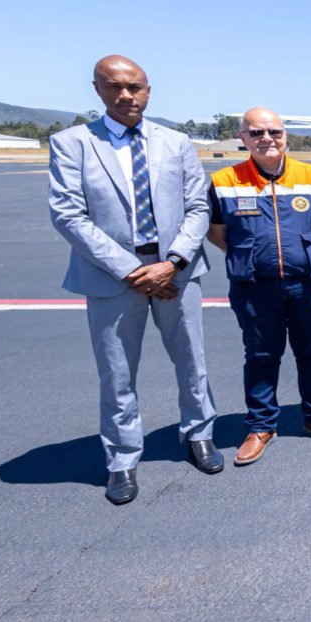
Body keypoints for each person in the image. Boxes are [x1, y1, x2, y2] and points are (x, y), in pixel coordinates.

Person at [48, 55, 221, 504]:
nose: (126, 95)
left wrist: (175, 261)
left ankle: (199, 433)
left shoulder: (177, 142)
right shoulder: (72, 143)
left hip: (176, 274)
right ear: (97, 89)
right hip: (113, 277)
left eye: (135, 87)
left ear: (148, 90)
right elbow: (68, 214)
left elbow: (198, 207)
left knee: (192, 362)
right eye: (115, 87)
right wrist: (130, 269)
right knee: (118, 375)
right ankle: (122, 459)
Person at [207, 108, 311, 465]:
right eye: (256, 132)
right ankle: (261, 425)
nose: (266, 139)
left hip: (309, 282)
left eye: (274, 132)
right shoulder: (225, 180)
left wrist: (306, 255)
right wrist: (251, 257)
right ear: (243, 138)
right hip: (254, 285)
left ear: (285, 136)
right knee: (261, 355)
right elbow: (217, 232)